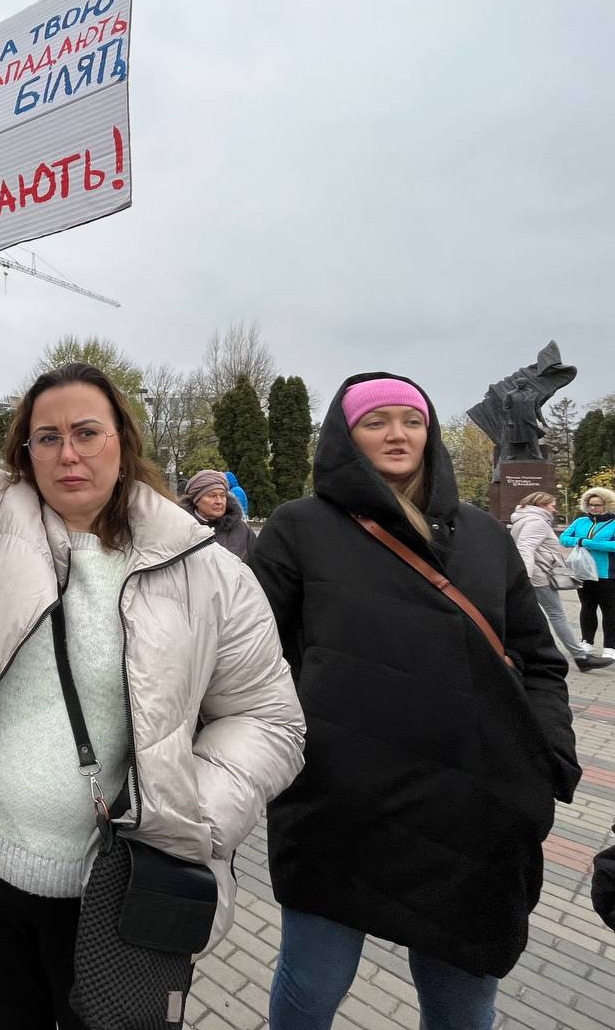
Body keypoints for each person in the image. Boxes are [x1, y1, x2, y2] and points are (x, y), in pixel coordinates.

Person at [0, 175, 304, 1029]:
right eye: (45, 436)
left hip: (114, 897)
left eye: (86, 431)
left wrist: (190, 808)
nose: (66, 454)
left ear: (122, 441)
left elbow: (273, 720)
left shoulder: (205, 568)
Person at [249, 374, 581, 1030]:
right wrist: (301, 749)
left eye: (412, 419)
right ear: (346, 435)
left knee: (462, 1002)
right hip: (340, 808)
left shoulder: (485, 536)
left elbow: (540, 658)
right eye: (377, 421)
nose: (397, 433)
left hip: (472, 808)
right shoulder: (300, 528)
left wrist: (547, 754)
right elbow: (254, 662)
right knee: (312, 987)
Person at [511, 491, 612, 672]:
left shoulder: (522, 519)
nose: (554, 508)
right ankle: (581, 657)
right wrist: (524, 576)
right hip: (539, 577)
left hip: (535, 575)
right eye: (551, 504)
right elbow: (525, 548)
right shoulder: (537, 522)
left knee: (525, 614)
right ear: (540, 505)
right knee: (557, 615)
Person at [560, 487, 615, 656]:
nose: (593, 508)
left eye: (598, 505)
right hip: (583, 573)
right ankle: (587, 642)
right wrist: (581, 541)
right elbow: (563, 539)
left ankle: (610, 647)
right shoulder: (580, 522)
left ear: (608, 504)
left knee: (610, 611)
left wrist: (586, 543)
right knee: (587, 608)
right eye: (590, 504)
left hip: (607, 574)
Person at [182, 468, 256, 561]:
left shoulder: (243, 530)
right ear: (196, 500)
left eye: (222, 495)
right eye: (212, 496)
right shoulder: (182, 530)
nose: (219, 501)